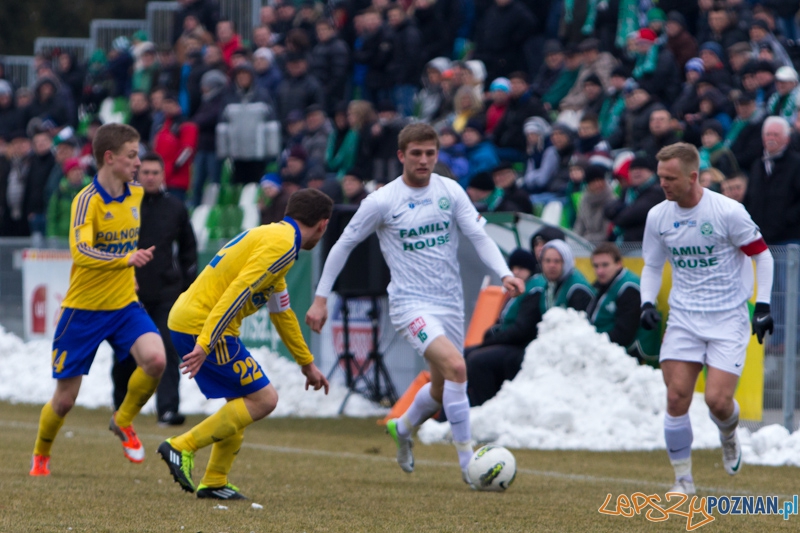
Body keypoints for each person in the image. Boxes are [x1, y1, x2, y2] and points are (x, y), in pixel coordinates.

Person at [305, 123, 524, 485]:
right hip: (410, 305)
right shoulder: (382, 200)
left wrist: (503, 273)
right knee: (457, 367)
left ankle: (402, 428)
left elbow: (477, 235)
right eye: (417, 153)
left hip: (450, 304)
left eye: (430, 153)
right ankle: (469, 463)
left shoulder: (450, 190)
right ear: (401, 156)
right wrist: (320, 297)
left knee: (441, 389)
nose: (424, 160)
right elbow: (342, 244)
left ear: (437, 155)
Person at [159, 188, 332, 499]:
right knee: (264, 399)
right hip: (202, 326)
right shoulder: (281, 246)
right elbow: (238, 291)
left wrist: (307, 364)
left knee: (242, 399)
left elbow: (282, 313)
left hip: (194, 321)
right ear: (323, 224)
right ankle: (180, 446)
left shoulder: (276, 239)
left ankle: (214, 481)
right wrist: (207, 342)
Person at [29, 124, 167, 477]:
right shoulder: (86, 200)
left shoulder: (135, 194)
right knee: (64, 401)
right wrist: (125, 260)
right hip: (83, 310)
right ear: (110, 158)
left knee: (155, 360)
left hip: (122, 305)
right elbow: (82, 251)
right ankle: (41, 455)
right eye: (132, 156)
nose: (138, 163)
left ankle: (123, 419)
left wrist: (128, 270)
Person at [640, 143, 774, 495]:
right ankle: (682, 481)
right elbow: (653, 265)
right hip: (684, 317)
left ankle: (728, 435)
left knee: (717, 401)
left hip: (728, 317)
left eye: (670, 178)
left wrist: (762, 306)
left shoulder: (727, 212)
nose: (664, 184)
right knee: (676, 397)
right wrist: (646, 303)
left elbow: (763, 257)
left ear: (693, 177)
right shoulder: (658, 216)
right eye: (660, 178)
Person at [111, 153, 198, 427]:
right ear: (137, 175)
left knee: (167, 351)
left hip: (166, 293)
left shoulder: (175, 207)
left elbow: (188, 249)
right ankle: (122, 409)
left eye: (155, 172)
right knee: (124, 353)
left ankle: (168, 410)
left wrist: (186, 286)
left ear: (163, 176)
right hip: (128, 293)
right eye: (145, 172)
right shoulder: (125, 205)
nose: (149, 177)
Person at [466, 240, 593, 406]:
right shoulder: (550, 285)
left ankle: (485, 408)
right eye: (547, 261)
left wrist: (492, 339)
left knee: (480, 360)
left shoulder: (575, 288)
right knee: (470, 355)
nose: (552, 266)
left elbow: (576, 331)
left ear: (567, 262)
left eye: (557, 261)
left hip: (567, 355)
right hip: (547, 348)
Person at [587, 243, 660, 366]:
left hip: (631, 357)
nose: (600, 271)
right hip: (607, 349)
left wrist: (591, 342)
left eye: (605, 265)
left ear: (619, 264)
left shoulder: (629, 288)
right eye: (596, 266)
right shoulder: (603, 284)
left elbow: (624, 335)